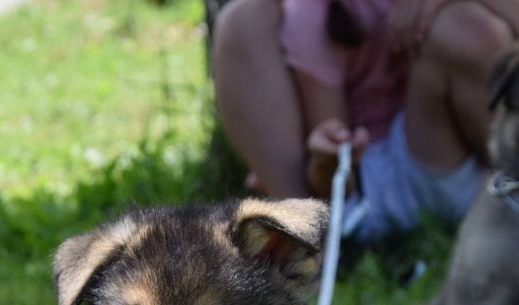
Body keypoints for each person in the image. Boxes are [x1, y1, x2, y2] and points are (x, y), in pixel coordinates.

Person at [212, 0, 519, 239]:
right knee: (239, 21)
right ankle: (305, 236)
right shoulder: (312, 15)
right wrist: (327, 158)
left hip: (440, 151)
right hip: (369, 190)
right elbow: (338, 181)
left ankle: (511, 187)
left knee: (466, 28)